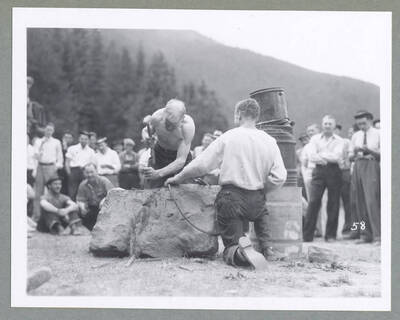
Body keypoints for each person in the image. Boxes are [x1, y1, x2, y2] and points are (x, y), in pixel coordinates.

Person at [165, 98, 287, 269]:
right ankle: (268, 249)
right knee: (261, 214)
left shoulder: (229, 137)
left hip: (232, 198)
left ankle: (238, 252)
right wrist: (261, 190)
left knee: (231, 244)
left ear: (239, 115)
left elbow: (202, 164)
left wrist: (178, 177)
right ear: (256, 117)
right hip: (257, 200)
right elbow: (280, 176)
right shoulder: (270, 141)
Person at [303, 115, 344, 242]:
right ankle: (307, 235)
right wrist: (326, 157)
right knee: (314, 201)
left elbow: (337, 156)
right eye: (325, 123)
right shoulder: (315, 139)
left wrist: (321, 155)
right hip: (318, 171)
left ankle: (330, 235)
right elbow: (311, 156)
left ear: (334, 126)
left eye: (330, 124)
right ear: (322, 124)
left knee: (333, 203)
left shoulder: (339, 140)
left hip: (334, 171)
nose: (327, 126)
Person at [141, 99, 195, 188]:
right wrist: (146, 138)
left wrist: (158, 173)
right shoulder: (157, 117)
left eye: (173, 124)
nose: (169, 127)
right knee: (151, 191)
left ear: (182, 119)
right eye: (167, 122)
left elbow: (180, 161)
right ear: (164, 115)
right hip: (158, 155)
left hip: (179, 158)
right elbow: (145, 131)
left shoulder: (187, 127)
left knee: (186, 191)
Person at [348, 110, 380, 243]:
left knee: (372, 200)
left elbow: (383, 154)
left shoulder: (379, 133)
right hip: (357, 166)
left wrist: (369, 150)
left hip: (371, 165)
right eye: (359, 124)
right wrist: (354, 153)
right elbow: (350, 156)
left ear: (370, 121)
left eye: (364, 123)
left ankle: (378, 235)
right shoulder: (356, 136)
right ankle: (365, 234)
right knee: (358, 201)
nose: (362, 126)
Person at [32, 123, 63, 221]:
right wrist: (41, 145)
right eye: (47, 130)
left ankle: (55, 216)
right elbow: (35, 156)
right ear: (44, 130)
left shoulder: (56, 142)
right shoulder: (38, 141)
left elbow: (60, 157)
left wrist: (56, 167)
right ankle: (37, 216)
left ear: (53, 131)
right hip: (40, 167)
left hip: (51, 167)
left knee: (54, 191)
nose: (48, 132)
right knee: (38, 192)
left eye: (50, 130)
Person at [76, 163, 114, 230]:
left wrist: (104, 200)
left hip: (106, 207)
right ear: (84, 173)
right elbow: (80, 200)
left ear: (96, 171)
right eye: (87, 172)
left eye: (91, 172)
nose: (89, 175)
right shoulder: (82, 185)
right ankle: (92, 229)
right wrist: (82, 207)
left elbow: (113, 195)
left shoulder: (104, 181)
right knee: (79, 209)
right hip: (92, 208)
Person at [65, 131, 96, 200]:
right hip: (74, 171)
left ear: (88, 140)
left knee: (85, 191)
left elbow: (93, 164)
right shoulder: (72, 148)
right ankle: (73, 209)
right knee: (72, 192)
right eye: (82, 139)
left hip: (86, 172)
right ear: (79, 139)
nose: (83, 141)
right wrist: (69, 173)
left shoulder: (91, 151)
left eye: (85, 139)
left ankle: (84, 209)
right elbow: (67, 162)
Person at [334, 124, 353, 236]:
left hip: (344, 172)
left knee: (348, 201)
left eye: (336, 130)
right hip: (332, 173)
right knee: (333, 202)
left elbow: (349, 158)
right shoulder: (326, 143)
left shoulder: (345, 142)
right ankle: (333, 231)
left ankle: (349, 229)